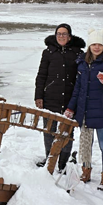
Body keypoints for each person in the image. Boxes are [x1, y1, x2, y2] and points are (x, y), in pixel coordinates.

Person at [64, 29, 103, 191]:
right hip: (84, 111)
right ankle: (86, 171)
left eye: (100, 44)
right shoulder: (82, 62)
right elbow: (78, 88)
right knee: (85, 144)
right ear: (89, 45)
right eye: (94, 44)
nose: (97, 47)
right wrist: (71, 107)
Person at [34, 24, 86, 172]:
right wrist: (38, 96)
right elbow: (41, 75)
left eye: (64, 34)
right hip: (50, 97)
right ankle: (49, 159)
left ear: (70, 37)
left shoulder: (78, 54)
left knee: (67, 132)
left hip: (69, 99)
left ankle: (62, 162)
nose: (61, 36)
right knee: (49, 131)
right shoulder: (48, 52)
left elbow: (81, 78)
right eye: (59, 34)